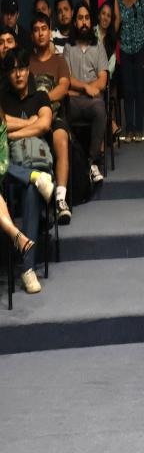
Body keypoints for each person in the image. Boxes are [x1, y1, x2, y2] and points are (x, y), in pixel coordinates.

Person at [1, 48, 57, 294]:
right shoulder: (3, 97)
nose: (18, 74)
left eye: (22, 68)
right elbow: (1, 124)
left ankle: (27, 268)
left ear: (28, 70)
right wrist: (28, 123)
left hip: (36, 162)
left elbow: (45, 124)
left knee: (33, 190)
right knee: (21, 176)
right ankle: (35, 179)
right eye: (13, 69)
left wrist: (12, 130)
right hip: (8, 168)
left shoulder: (40, 96)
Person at [27, 13, 72, 223]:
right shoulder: (26, 62)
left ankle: (61, 199)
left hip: (55, 117)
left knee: (61, 139)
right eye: (36, 30)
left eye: (43, 28)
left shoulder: (59, 62)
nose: (40, 33)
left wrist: (43, 101)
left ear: (49, 30)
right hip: (31, 118)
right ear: (32, 34)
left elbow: (63, 87)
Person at [63, 3, 108, 183]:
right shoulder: (68, 48)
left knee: (99, 107)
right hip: (73, 102)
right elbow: (66, 80)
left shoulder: (99, 48)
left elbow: (102, 82)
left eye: (87, 18)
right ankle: (74, 161)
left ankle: (92, 162)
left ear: (91, 22)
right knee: (62, 107)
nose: (84, 22)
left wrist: (81, 87)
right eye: (80, 18)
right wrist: (86, 87)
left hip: (92, 102)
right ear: (75, 22)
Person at [117, 0, 144, 142]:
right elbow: (115, 24)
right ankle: (128, 128)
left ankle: (138, 128)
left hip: (140, 49)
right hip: (124, 50)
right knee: (128, 90)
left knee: (140, 90)